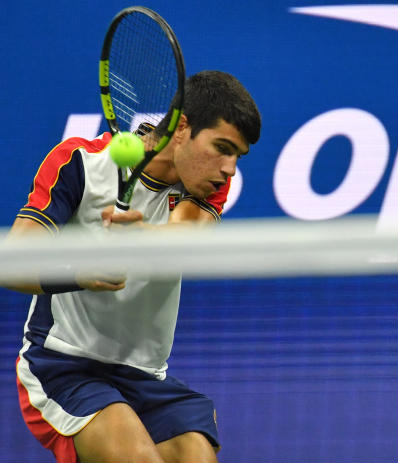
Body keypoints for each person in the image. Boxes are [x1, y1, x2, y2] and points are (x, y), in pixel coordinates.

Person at [3, 70, 261, 463]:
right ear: (181, 127)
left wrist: (141, 238)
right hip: (63, 363)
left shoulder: (204, 185)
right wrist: (78, 274)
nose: (229, 169)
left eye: (237, 156)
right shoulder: (79, 162)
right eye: (221, 147)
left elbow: (183, 240)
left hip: (144, 375)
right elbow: (12, 265)